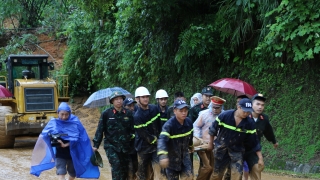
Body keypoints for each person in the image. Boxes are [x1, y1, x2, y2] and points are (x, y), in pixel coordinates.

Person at [30, 102, 100, 180]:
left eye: (66, 114)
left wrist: (89, 148)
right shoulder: (53, 123)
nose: (64, 117)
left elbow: (82, 138)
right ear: (57, 113)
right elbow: (44, 135)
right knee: (61, 172)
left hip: (73, 154)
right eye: (62, 114)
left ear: (69, 113)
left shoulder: (75, 122)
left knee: (72, 174)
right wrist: (53, 138)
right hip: (59, 154)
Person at [208, 98, 263, 180]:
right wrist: (210, 144)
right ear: (238, 107)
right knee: (217, 175)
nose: (246, 113)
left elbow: (254, 142)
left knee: (237, 175)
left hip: (237, 152)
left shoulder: (250, 123)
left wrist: (260, 158)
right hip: (221, 150)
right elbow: (213, 130)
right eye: (244, 111)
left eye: (248, 112)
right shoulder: (225, 115)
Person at [92, 91, 135, 180]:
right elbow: (100, 129)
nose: (119, 101)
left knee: (124, 169)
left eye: (120, 99)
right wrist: (96, 145)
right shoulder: (106, 114)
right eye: (116, 99)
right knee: (116, 166)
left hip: (125, 146)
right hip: (111, 146)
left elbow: (133, 129)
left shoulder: (128, 113)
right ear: (112, 101)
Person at [244, 93, 278, 180]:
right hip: (240, 149)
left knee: (257, 169)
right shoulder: (244, 116)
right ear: (252, 104)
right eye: (258, 104)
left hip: (254, 150)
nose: (260, 107)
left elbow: (268, 131)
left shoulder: (264, 119)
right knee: (237, 173)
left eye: (262, 105)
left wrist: (274, 141)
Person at [133, 86, 165, 180]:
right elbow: (144, 134)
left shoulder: (155, 109)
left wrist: (162, 138)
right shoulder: (137, 116)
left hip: (155, 148)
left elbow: (159, 125)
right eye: (143, 97)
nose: (146, 99)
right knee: (143, 175)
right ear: (137, 99)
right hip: (143, 149)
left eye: (147, 96)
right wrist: (157, 141)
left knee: (159, 171)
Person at [158, 99, 194, 180]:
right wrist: (163, 156)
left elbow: (190, 136)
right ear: (174, 111)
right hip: (171, 161)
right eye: (181, 110)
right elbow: (162, 140)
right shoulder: (169, 125)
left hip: (185, 158)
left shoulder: (189, 123)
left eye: (185, 110)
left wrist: (191, 146)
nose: (184, 113)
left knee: (189, 177)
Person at [193, 96, 226, 180]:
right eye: (213, 107)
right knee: (206, 167)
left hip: (218, 146)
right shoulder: (204, 114)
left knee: (215, 167)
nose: (215, 109)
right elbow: (196, 126)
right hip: (204, 144)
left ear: (221, 107)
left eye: (217, 108)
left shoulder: (225, 116)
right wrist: (198, 139)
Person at [123, 97, 138, 180]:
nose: (132, 108)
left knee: (136, 169)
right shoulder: (121, 118)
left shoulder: (136, 116)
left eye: (133, 106)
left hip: (136, 148)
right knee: (129, 170)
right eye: (129, 106)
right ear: (124, 106)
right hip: (125, 150)